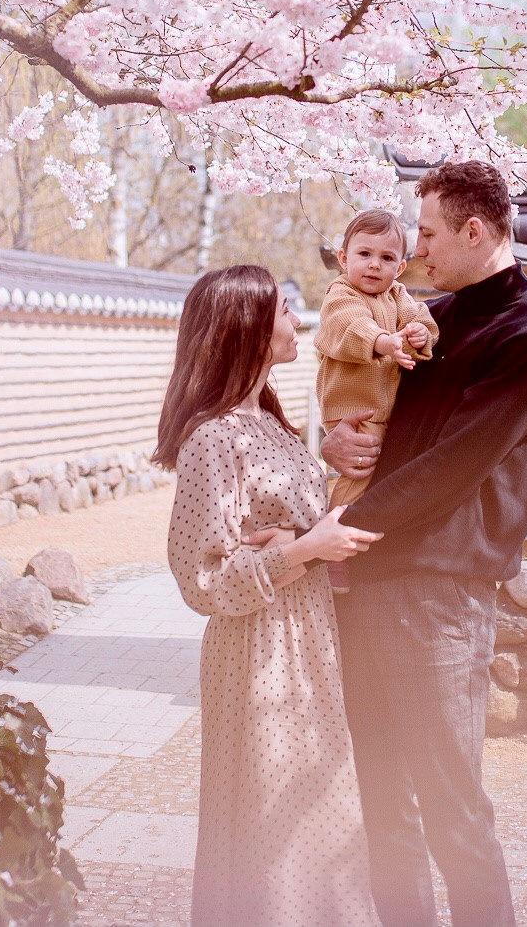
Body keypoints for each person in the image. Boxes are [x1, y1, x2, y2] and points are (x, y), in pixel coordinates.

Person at [321, 160, 527, 927]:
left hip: (439, 595)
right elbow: (362, 405)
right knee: (383, 807)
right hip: (368, 577)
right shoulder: (424, 320)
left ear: (473, 230)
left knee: (452, 810)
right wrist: (332, 444)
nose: (415, 251)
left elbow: (449, 469)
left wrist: (334, 534)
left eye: (426, 234)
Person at [155, 264, 384, 927]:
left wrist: (321, 460)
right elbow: (202, 580)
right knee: (270, 813)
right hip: (257, 649)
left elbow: (279, 515)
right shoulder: (212, 437)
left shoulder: (269, 421)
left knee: (317, 806)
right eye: (285, 310)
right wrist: (302, 550)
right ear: (246, 329)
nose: (298, 321)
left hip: (307, 638)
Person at [314, 209, 439, 592]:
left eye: (386, 258)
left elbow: (422, 319)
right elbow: (349, 326)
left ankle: (363, 545)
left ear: (400, 268)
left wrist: (419, 334)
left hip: (387, 410)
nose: (374, 265)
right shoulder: (341, 295)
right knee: (357, 476)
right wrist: (385, 342)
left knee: (384, 479)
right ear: (343, 258)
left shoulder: (398, 296)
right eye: (364, 254)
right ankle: (329, 552)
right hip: (353, 410)